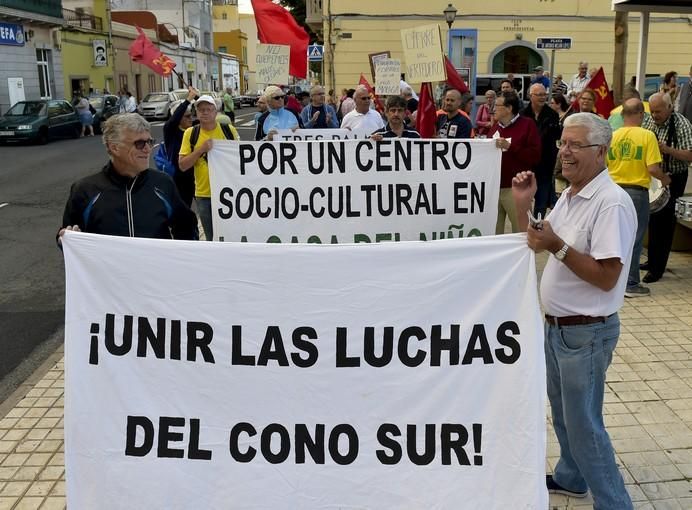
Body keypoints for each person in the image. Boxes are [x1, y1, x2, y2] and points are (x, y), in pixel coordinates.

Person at [512, 112, 636, 510]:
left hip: (586, 333)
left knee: (585, 426)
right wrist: (523, 205)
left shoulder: (610, 203)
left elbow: (606, 277)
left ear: (601, 152)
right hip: (559, 329)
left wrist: (557, 246)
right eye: (563, 143)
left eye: (575, 145)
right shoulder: (570, 194)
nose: (564, 152)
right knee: (564, 415)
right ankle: (571, 476)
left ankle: (614, 503)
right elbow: (537, 241)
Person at [58, 113, 198, 244]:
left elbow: (186, 227)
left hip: (154, 269)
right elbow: (67, 237)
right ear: (114, 148)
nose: (148, 149)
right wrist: (66, 238)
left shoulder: (162, 183)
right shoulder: (85, 190)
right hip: (108, 270)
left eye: (149, 142)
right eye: (139, 144)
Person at [607, 98, 670, 297]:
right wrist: (665, 178)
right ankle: (631, 283)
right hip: (636, 193)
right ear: (641, 114)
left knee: (615, 238)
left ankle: (613, 280)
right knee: (634, 239)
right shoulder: (647, 135)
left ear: (622, 114)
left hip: (613, 190)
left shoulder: (612, 136)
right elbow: (652, 168)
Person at [641, 92, 692, 283]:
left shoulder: (682, 124)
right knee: (653, 219)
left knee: (665, 223)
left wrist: (668, 150)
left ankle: (657, 269)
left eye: (658, 112)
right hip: (654, 176)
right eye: (652, 112)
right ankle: (652, 260)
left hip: (674, 177)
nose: (654, 116)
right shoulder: (649, 122)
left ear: (670, 107)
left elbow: (690, 155)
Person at [179, 95, 239, 241]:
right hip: (204, 194)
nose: (204, 113)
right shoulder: (190, 133)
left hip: (229, 192)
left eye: (208, 109)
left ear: (215, 111)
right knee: (211, 237)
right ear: (196, 113)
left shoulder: (228, 130)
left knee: (232, 234)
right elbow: (183, 165)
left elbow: (241, 157)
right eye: (201, 110)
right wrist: (200, 150)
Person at [488, 91, 541, 234]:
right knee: (494, 232)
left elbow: (534, 156)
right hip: (494, 188)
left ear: (509, 108)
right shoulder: (494, 128)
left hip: (517, 188)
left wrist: (511, 147)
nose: (493, 109)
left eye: (497, 105)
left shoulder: (527, 125)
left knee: (521, 231)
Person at [521, 83, 560, 218]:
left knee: (541, 202)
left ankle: (538, 225)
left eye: (545, 94)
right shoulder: (523, 115)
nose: (543, 97)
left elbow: (557, 138)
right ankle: (525, 226)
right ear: (531, 96)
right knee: (524, 200)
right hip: (526, 165)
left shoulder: (552, 115)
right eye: (539, 95)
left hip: (545, 165)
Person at [163, 86, 198, 207]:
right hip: (180, 176)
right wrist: (188, 99)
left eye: (191, 115)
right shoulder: (171, 130)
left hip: (196, 174)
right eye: (187, 116)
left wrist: (197, 99)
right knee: (184, 207)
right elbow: (174, 118)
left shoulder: (194, 129)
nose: (191, 119)